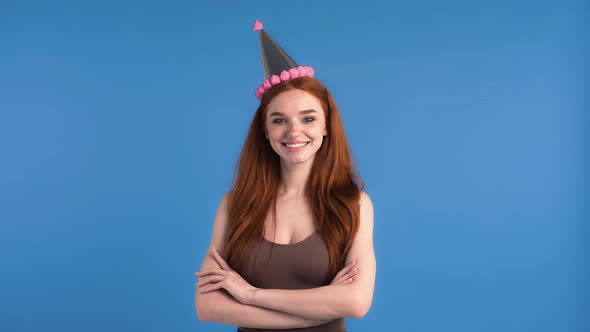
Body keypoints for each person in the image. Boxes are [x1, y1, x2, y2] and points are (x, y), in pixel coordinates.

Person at [194, 20, 376, 332]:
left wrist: (250, 295)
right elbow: (207, 306)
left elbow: (356, 303)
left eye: (308, 118)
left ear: (325, 127)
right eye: (279, 120)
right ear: (265, 131)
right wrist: (321, 308)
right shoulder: (234, 205)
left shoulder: (353, 204)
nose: (294, 131)